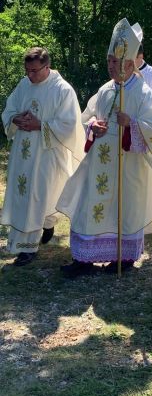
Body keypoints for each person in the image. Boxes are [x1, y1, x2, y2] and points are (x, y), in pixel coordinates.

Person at [57, 18, 152, 278]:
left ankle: (120, 258)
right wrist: (94, 127)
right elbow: (86, 118)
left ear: (131, 63)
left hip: (129, 164)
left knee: (124, 211)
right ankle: (84, 259)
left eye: (116, 62)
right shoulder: (104, 90)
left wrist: (133, 125)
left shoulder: (144, 93)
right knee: (89, 206)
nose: (111, 67)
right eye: (109, 61)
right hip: (99, 165)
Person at [1, 47, 85, 266]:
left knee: (39, 196)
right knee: (26, 196)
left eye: (35, 71)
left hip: (46, 154)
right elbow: (8, 110)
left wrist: (40, 124)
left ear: (47, 67)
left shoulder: (62, 89)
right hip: (22, 153)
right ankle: (34, 236)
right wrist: (16, 119)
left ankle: (30, 245)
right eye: (27, 70)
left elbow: (69, 124)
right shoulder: (23, 85)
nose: (30, 75)